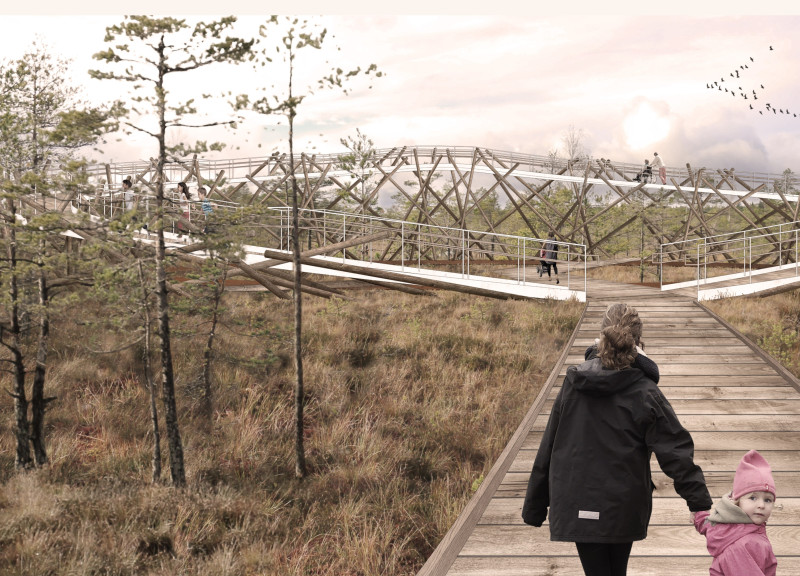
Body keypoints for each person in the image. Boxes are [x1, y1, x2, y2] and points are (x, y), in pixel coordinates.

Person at [522, 303, 712, 576]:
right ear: (638, 342)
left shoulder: (574, 382)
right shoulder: (645, 391)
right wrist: (699, 503)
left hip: (577, 500)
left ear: (600, 338)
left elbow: (549, 445)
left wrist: (535, 507)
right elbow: (675, 450)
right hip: (623, 506)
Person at [694, 450, 777, 576]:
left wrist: (698, 513)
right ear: (737, 501)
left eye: (768, 500)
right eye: (753, 498)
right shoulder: (745, 543)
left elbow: (706, 525)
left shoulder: (722, 525)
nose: (761, 505)